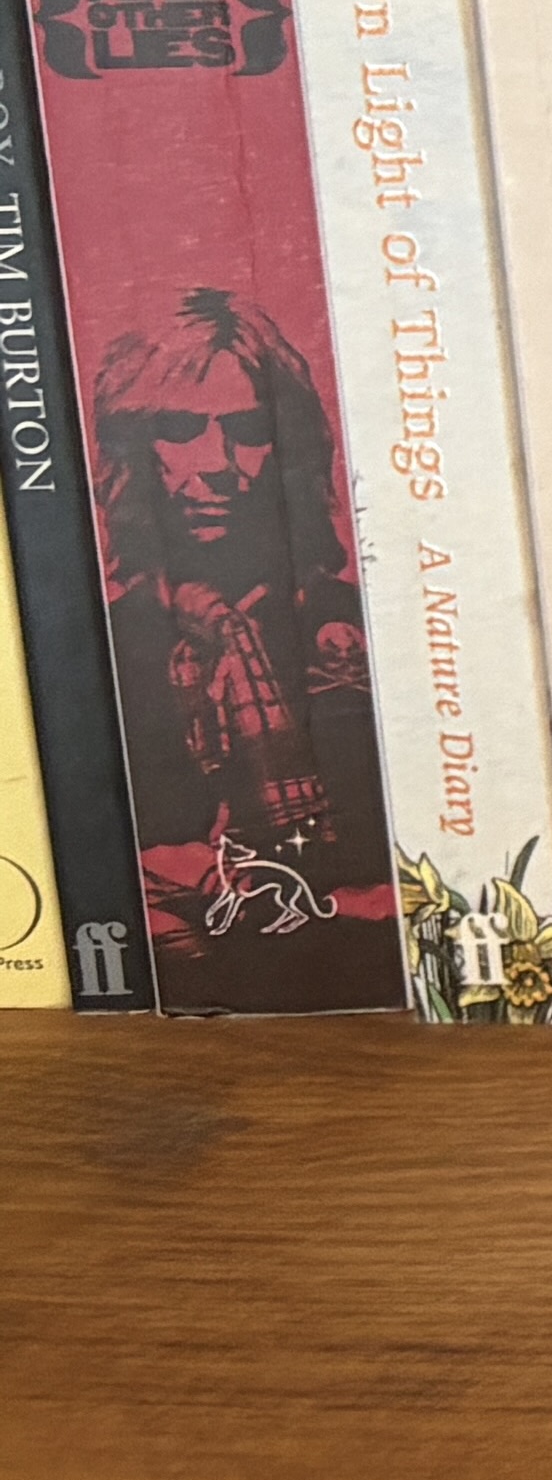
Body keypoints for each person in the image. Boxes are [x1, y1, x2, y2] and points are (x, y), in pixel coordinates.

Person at [95, 286, 388, 1009]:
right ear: (134, 447)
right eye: (179, 426)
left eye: (248, 426)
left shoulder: (370, 622)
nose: (219, 460)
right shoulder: (98, 647)